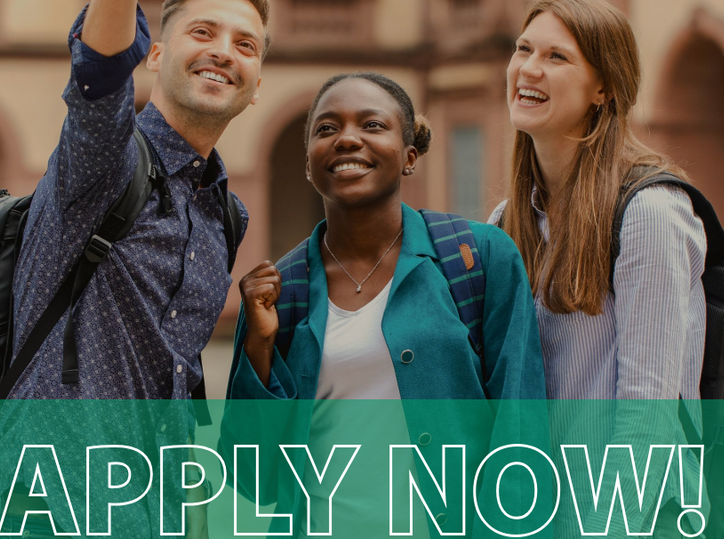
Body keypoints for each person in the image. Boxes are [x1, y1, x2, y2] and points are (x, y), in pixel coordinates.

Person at [0, 1, 270, 537]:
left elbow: (178, 381)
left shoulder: (225, 215)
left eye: (245, 44)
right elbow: (99, 70)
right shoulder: (104, 161)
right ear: (154, 55)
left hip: (158, 513)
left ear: (257, 86)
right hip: (57, 507)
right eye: (203, 32)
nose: (222, 52)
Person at [221, 73, 549, 539]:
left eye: (372, 125)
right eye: (327, 129)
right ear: (309, 165)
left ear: (410, 156)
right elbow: (253, 478)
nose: (347, 138)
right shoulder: (281, 290)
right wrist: (259, 345)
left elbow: (521, 432)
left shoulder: (478, 258)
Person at [488, 0, 706, 537]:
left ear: (603, 89)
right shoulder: (507, 220)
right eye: (523, 49)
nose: (529, 69)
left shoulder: (650, 213)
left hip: (631, 517)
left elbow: (647, 415)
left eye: (557, 56)